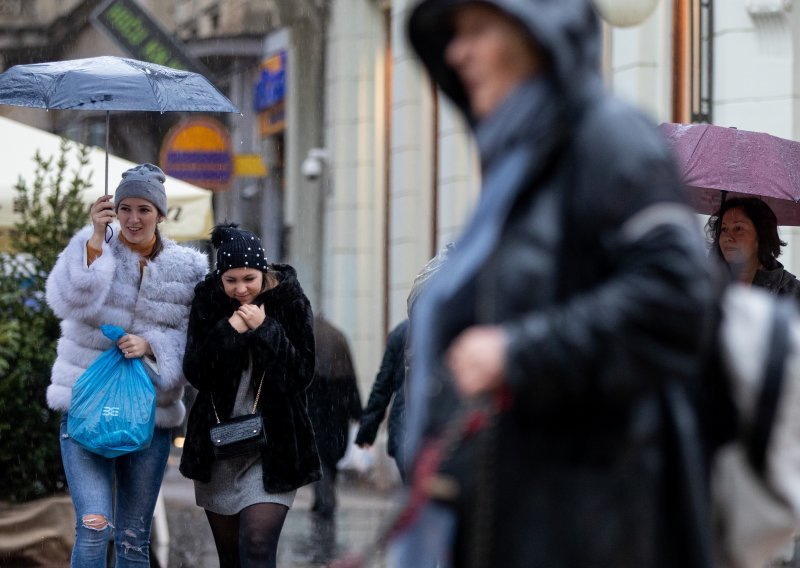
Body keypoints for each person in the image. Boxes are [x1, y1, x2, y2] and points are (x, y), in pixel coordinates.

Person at [403, 1, 716, 567]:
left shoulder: (607, 138)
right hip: (516, 517)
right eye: (452, 33)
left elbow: (677, 295)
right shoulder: (520, 161)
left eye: (477, 29)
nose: (456, 51)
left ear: (535, 34)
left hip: (586, 528)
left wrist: (518, 352)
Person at [45, 163, 208, 567]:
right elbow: (66, 302)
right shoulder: (92, 247)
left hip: (149, 417)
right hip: (85, 407)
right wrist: (96, 243)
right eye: (126, 209)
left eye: (144, 210)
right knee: (95, 525)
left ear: (161, 215)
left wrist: (153, 344)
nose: (133, 219)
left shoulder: (188, 270)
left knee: (135, 538)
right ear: (114, 210)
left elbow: (197, 343)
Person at [179, 223, 321, 568]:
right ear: (220, 278)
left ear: (263, 272)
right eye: (231, 280)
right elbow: (196, 372)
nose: (241, 289)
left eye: (249, 279)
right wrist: (229, 331)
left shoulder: (289, 302)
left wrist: (265, 329)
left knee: (257, 547)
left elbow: (301, 374)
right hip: (219, 446)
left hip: (273, 448)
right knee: (231, 559)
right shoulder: (208, 303)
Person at [306, 313, 362, 518]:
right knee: (330, 455)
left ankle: (324, 498)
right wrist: (357, 411)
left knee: (319, 455)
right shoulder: (338, 339)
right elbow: (350, 381)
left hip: (314, 410)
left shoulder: (308, 338)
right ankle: (324, 497)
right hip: (337, 412)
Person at [707, 197, 800, 298]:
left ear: (761, 235)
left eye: (738, 228)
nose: (727, 237)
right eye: (723, 229)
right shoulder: (704, 284)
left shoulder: (793, 293)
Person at [355, 318, 410, 481]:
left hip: (404, 426)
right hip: (434, 427)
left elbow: (383, 387)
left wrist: (367, 430)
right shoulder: (449, 323)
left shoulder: (401, 332)